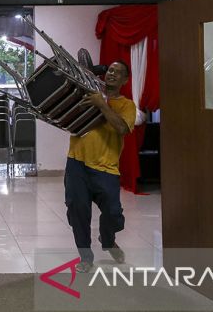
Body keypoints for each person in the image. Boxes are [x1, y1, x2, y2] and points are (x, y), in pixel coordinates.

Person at [64, 61, 136, 273]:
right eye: (110, 70)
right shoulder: (88, 95)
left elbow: (122, 128)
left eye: (118, 72)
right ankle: (86, 257)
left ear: (125, 80)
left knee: (113, 214)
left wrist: (102, 104)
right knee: (78, 211)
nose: (112, 73)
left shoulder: (126, 105)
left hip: (106, 168)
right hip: (77, 162)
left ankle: (107, 240)